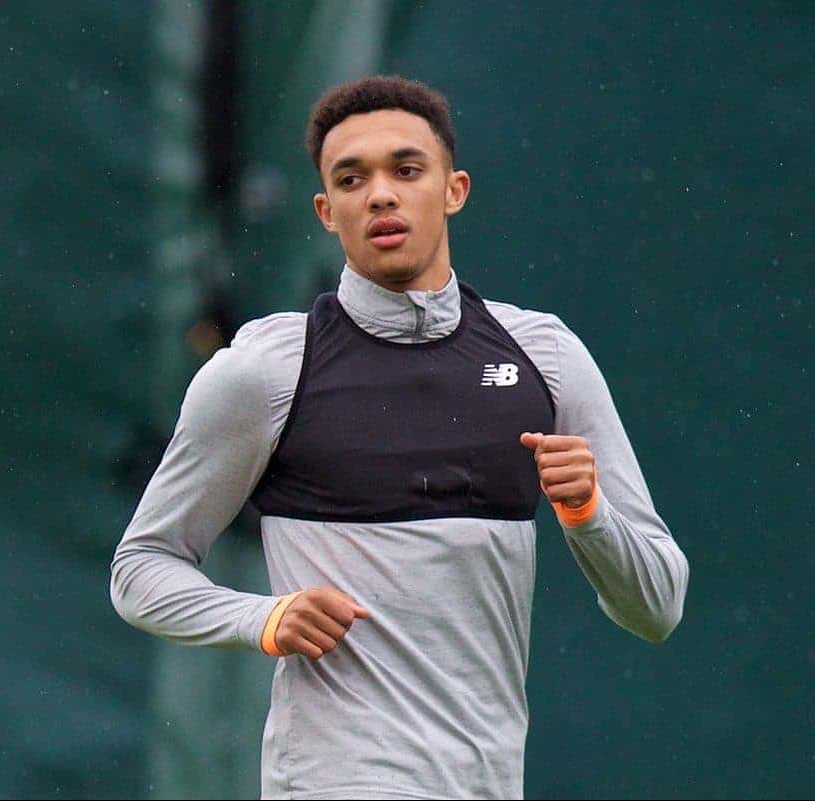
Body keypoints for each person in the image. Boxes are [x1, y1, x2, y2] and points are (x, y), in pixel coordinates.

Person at [111, 75, 689, 800]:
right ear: (326, 211)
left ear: (454, 190)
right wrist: (264, 616)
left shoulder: (547, 357)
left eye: (406, 170)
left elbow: (657, 606)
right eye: (351, 179)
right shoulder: (264, 372)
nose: (380, 194)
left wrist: (588, 516)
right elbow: (141, 569)